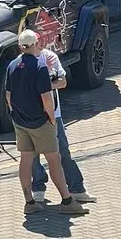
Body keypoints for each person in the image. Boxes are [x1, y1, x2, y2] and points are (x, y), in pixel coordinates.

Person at [5, 30, 87, 216]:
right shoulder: (40, 66)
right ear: (35, 44)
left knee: (26, 160)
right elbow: (47, 99)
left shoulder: (12, 65)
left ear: (20, 46)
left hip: (20, 122)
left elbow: (8, 95)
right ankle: (67, 201)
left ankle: (30, 201)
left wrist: (14, 114)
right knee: (54, 159)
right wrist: (51, 118)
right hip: (41, 122)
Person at [31, 34, 96, 205]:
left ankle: (77, 189)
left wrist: (42, 85)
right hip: (30, 115)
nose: (32, 47)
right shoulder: (19, 63)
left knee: (63, 151)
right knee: (32, 154)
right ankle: (37, 188)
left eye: (35, 44)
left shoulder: (49, 58)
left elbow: (62, 82)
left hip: (53, 115)